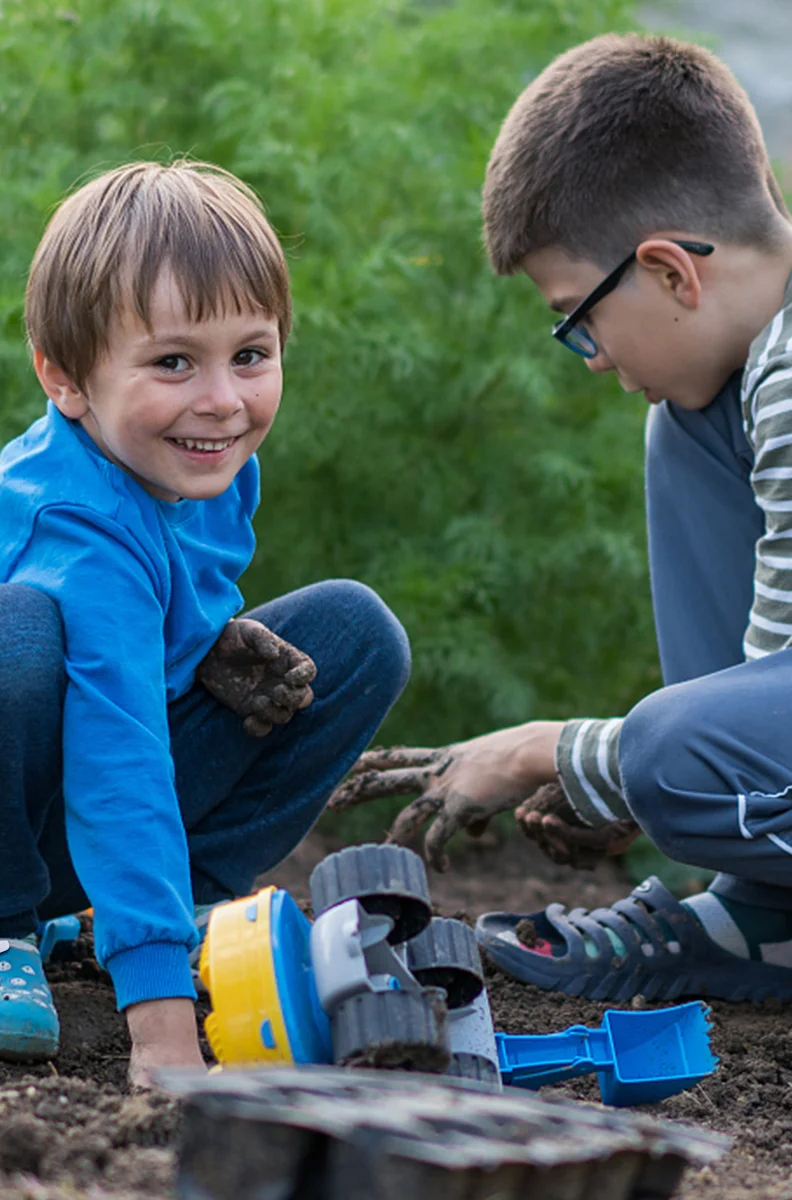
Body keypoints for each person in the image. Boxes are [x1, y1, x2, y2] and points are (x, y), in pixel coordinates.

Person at [0, 160, 410, 1084]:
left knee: (354, 635)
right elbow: (116, 751)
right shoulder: (75, 520)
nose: (221, 399)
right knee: (3, 634)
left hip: (57, 783)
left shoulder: (204, 461)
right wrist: (163, 1030)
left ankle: (150, 918)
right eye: (174, 361)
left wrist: (199, 644)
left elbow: (140, 643)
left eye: (250, 356)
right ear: (65, 378)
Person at [332, 34, 792, 1004]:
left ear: (670, 271)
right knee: (687, 428)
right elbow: (769, 689)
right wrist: (652, 772)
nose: (586, 354)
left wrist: (555, 751)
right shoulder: (748, 380)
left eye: (577, 316)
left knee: (670, 753)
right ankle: (765, 916)